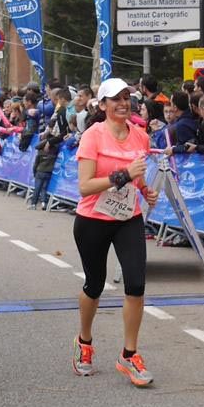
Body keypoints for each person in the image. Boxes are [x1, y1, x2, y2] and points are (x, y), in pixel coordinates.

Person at [70, 78, 159, 387]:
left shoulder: (140, 136)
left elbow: (139, 174)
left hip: (127, 218)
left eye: (126, 97)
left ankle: (129, 354)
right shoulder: (92, 136)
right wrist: (122, 175)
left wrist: (145, 191)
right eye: (115, 99)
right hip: (93, 219)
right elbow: (84, 186)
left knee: (136, 284)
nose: (122, 103)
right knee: (94, 285)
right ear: (103, 105)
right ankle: (84, 341)